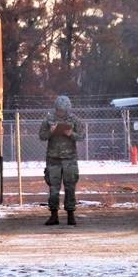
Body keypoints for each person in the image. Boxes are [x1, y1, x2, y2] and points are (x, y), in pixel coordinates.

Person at [38, 95, 86, 225]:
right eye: (59, 110)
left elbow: (82, 136)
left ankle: (71, 214)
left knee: (70, 187)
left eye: (64, 111)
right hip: (53, 159)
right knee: (54, 188)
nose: (61, 113)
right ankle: (54, 215)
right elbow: (41, 135)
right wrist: (51, 132)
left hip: (70, 159)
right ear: (56, 109)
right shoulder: (49, 119)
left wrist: (71, 134)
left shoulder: (74, 119)